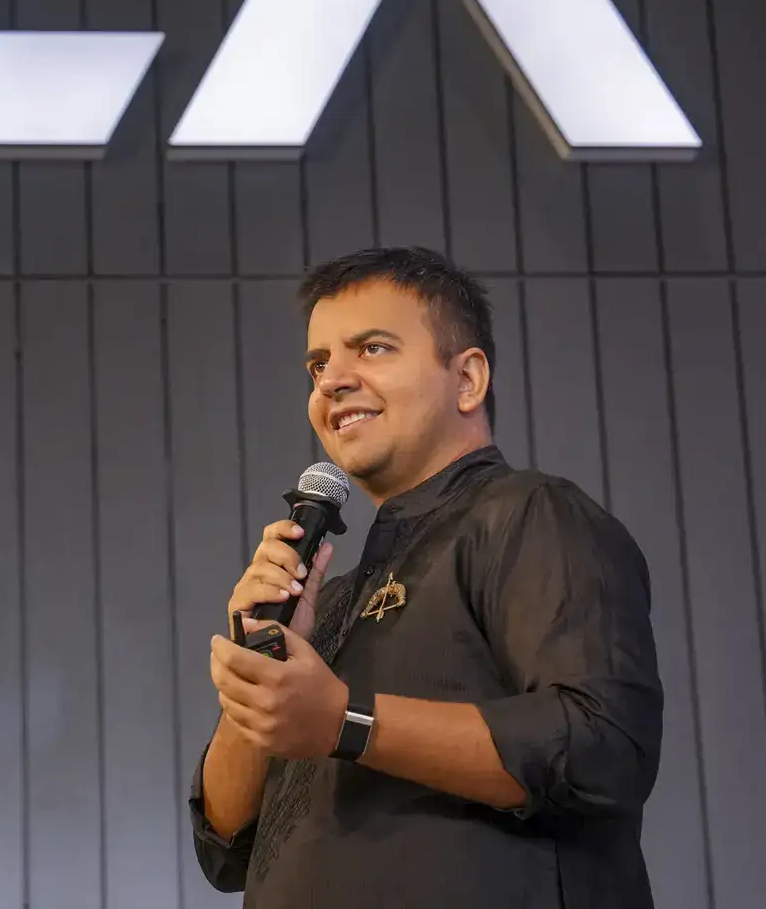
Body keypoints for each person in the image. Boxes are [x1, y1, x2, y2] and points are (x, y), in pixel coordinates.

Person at [189, 246, 663, 906]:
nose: (331, 381)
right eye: (318, 363)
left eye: (373, 348)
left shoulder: (530, 514)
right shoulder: (330, 600)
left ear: (467, 379)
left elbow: (603, 748)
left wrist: (344, 721)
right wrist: (258, 662)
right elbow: (224, 845)